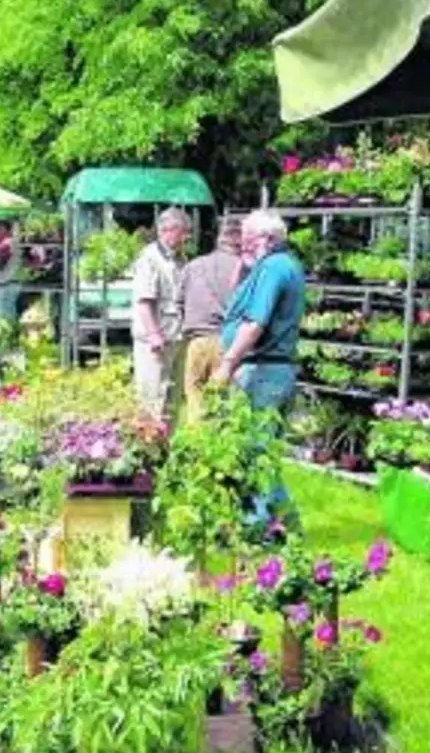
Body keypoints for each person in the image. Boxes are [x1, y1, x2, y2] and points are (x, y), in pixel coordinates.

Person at [211, 209, 307, 532]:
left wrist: (227, 365)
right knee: (264, 450)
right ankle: (286, 521)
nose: (242, 246)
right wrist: (244, 265)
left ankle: (258, 527)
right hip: (272, 369)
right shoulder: (281, 265)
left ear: (267, 239)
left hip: (262, 370)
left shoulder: (273, 269)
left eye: (248, 240)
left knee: (255, 451)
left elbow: (254, 323)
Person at [179, 215, 245, 424]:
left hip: (196, 342)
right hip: (228, 343)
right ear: (239, 241)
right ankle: (219, 449)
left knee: (195, 400)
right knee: (224, 405)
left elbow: (179, 302)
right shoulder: (244, 269)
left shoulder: (193, 266)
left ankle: (196, 448)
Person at [130, 208, 190, 418]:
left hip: (175, 336)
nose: (187, 237)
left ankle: (168, 446)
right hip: (155, 341)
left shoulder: (180, 257)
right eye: (184, 232)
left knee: (172, 399)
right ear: (168, 230)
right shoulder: (149, 258)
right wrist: (154, 334)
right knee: (151, 396)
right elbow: (144, 301)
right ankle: (147, 448)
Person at [0, 221, 20, 323]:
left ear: (5, 230)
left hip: (5, 284)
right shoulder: (12, 242)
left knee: (4, 318)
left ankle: (9, 335)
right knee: (9, 315)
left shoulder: (6, 244)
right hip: (10, 283)